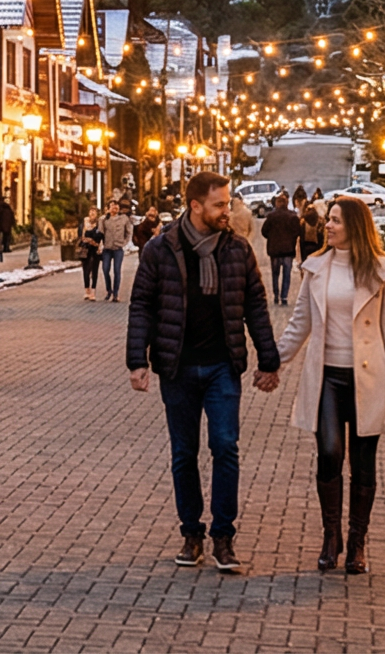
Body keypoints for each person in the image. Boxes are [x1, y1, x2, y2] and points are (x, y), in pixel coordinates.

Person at [126, 171, 281, 575]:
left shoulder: (237, 250)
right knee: (184, 453)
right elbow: (141, 305)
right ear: (195, 206)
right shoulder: (161, 250)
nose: (226, 211)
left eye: (227, 204)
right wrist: (137, 361)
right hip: (176, 366)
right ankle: (191, 532)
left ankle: (224, 536)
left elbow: (256, 307)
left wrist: (269, 359)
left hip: (222, 365)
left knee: (225, 446)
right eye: (219, 205)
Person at [276, 196, 385, 574]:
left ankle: (357, 543)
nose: (328, 226)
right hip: (327, 378)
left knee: (364, 463)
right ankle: (330, 536)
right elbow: (300, 322)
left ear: (355, 225)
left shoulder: (382, 271)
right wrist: (274, 363)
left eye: (335, 220)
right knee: (331, 452)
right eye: (328, 220)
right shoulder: (316, 267)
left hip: (367, 378)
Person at [260, 193, 303, 304]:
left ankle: (276, 295)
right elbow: (298, 232)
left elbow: (264, 231)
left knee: (275, 274)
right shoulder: (292, 216)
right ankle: (284, 297)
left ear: (277, 203)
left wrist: (272, 237)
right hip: (288, 250)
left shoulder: (271, 216)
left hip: (274, 250)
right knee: (286, 275)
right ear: (287, 203)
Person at [100, 201, 136, 302]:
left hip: (118, 249)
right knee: (105, 269)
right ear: (108, 208)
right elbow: (100, 233)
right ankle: (109, 290)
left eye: (116, 207)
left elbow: (129, 232)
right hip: (107, 248)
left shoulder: (124, 219)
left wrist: (124, 242)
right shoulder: (103, 219)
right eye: (112, 206)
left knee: (117, 271)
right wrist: (100, 245)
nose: (114, 208)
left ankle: (116, 293)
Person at [80, 208, 105, 300]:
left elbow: (101, 236)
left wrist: (94, 241)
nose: (92, 213)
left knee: (94, 270)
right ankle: (87, 290)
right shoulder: (84, 223)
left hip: (96, 249)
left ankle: (93, 292)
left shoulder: (99, 224)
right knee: (86, 270)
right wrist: (87, 239)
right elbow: (80, 235)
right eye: (90, 211)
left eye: (94, 211)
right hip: (85, 249)